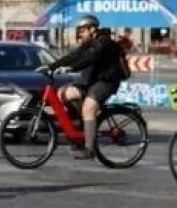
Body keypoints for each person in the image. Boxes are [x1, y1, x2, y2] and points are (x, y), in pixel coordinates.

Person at [41, 14, 130, 159]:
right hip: (91, 81)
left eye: (82, 31)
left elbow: (90, 58)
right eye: (79, 31)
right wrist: (51, 66)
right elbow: (73, 56)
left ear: (92, 29)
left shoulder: (104, 42)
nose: (80, 34)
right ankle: (78, 131)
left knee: (88, 108)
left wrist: (71, 68)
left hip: (106, 81)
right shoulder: (88, 44)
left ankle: (89, 149)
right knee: (63, 93)